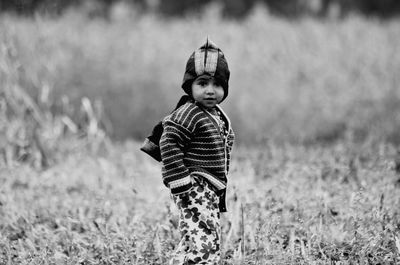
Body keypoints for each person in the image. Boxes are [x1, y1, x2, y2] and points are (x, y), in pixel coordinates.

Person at [159, 38, 235, 265]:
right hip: (194, 184)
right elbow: (168, 141)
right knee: (205, 236)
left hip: (209, 187)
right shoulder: (189, 112)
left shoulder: (216, 113)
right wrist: (181, 178)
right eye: (202, 83)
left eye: (217, 84)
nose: (210, 91)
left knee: (196, 234)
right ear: (190, 86)